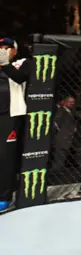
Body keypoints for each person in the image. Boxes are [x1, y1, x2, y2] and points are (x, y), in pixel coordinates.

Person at [0, 37, 29, 212]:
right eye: (0, 47)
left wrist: (5, 64)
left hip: (10, 116)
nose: (3, 50)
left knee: (6, 157)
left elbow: (19, 78)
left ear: (14, 50)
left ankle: (4, 196)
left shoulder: (21, 63)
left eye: (6, 48)